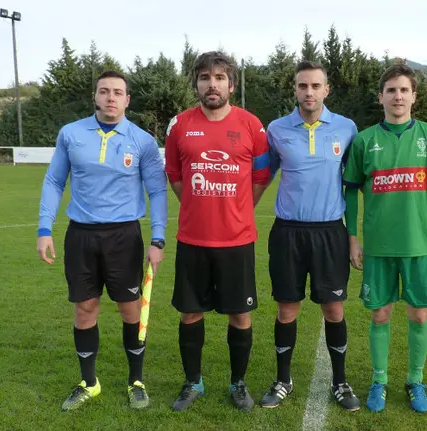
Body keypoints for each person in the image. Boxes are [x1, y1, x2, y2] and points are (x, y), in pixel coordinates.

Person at [36, 70, 168, 411]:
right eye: (104, 91)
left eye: (118, 92)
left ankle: (135, 380)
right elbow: (54, 181)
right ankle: (89, 382)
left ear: (127, 100)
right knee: (85, 309)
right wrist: (44, 228)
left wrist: (158, 238)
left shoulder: (142, 141)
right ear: (95, 96)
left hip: (124, 237)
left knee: (130, 310)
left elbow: (156, 190)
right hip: (81, 236)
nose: (111, 97)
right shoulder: (71, 134)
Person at [342, 63, 427, 414]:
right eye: (391, 90)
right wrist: (353, 238)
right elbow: (349, 192)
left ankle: (415, 380)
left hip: (420, 245)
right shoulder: (363, 141)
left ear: (414, 96)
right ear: (381, 97)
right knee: (380, 316)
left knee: (420, 316)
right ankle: (380, 381)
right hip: (378, 246)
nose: (398, 96)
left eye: (404, 90)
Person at [164, 51, 270, 413]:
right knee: (190, 313)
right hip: (193, 240)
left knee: (239, 315)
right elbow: (175, 175)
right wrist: (197, 204)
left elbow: (260, 177)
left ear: (232, 84)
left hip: (236, 241)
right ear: (196, 83)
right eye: (206, 77)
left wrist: (238, 208)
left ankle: (238, 383)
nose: (213, 84)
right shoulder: (180, 125)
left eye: (220, 78)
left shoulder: (252, 125)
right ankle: (193, 382)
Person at [259, 60, 360, 411]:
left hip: (330, 232)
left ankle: (340, 381)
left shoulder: (346, 128)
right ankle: (283, 379)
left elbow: (354, 182)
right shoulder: (276, 129)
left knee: (334, 308)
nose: (309, 92)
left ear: (326, 90)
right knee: (287, 308)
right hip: (288, 232)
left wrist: (355, 233)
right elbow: (262, 177)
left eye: (316, 86)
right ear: (295, 89)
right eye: (303, 86)